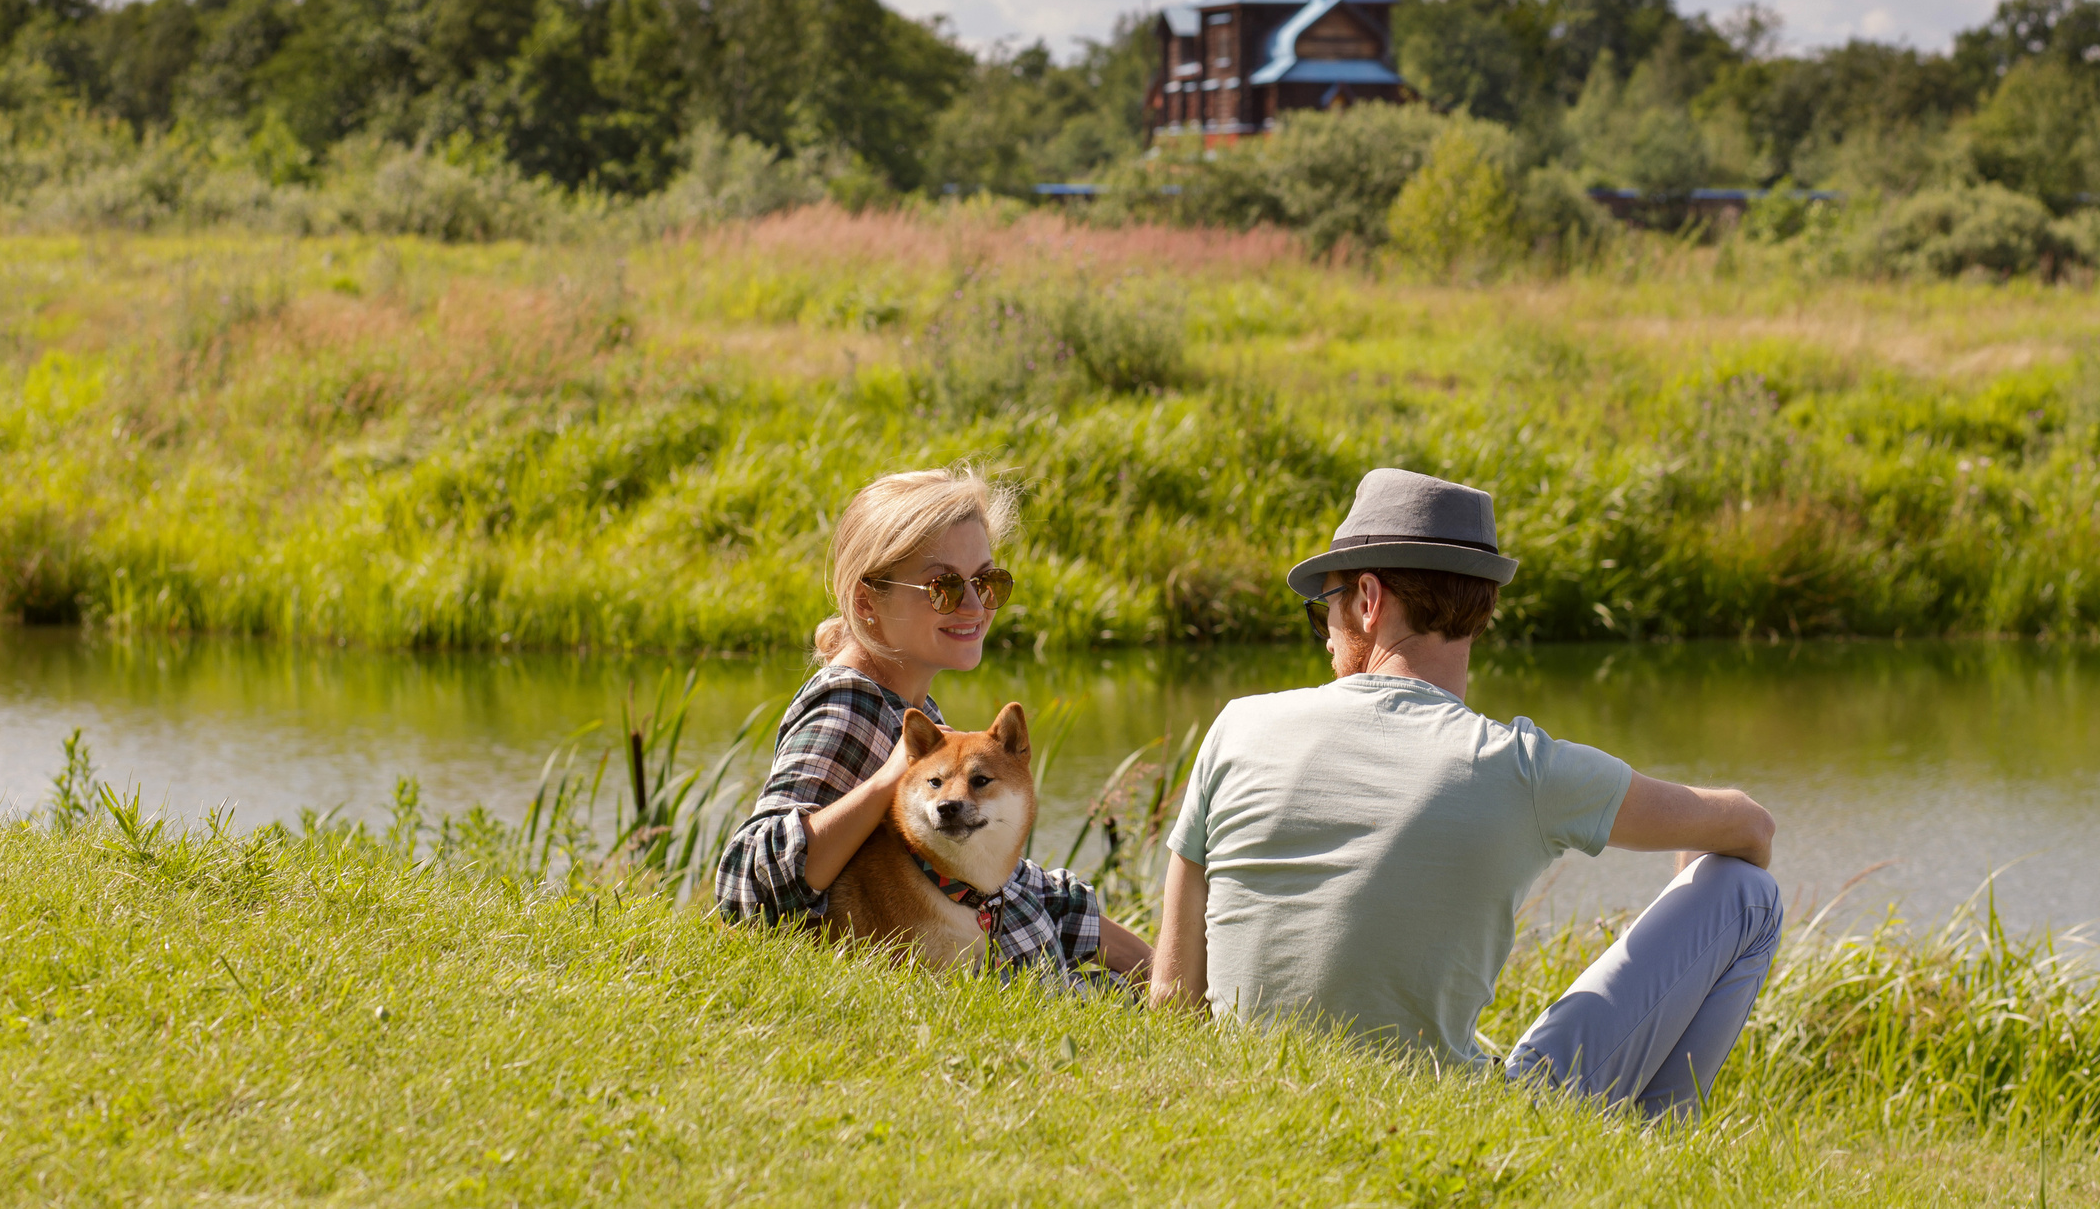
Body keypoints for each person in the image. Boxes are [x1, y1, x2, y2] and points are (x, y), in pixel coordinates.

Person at [1148, 468, 1782, 1119]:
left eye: (1326, 607)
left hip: (1254, 1104)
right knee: (1748, 894)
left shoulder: (1235, 728)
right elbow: (1751, 827)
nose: (1328, 632)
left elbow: (1172, 997)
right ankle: (1653, 1150)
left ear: (1368, 597)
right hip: (1454, 1118)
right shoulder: (1524, 767)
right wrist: (1691, 865)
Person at [715, 465, 1152, 977]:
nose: (973, 605)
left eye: (987, 581)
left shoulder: (904, 702)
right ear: (867, 602)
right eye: (942, 586)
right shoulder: (850, 707)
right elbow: (745, 887)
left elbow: (996, 882)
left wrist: (1155, 964)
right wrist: (887, 779)